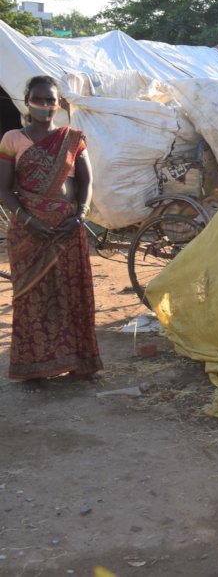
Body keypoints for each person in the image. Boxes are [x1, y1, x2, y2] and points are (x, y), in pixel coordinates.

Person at [0, 75, 101, 391]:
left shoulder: (73, 138)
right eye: (39, 99)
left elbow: (85, 182)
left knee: (74, 295)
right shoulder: (12, 139)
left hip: (68, 230)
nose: (45, 105)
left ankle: (78, 363)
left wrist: (81, 214)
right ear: (27, 100)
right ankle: (34, 369)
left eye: (51, 100)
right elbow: (4, 189)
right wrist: (29, 221)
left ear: (60, 104)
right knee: (33, 297)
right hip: (29, 233)